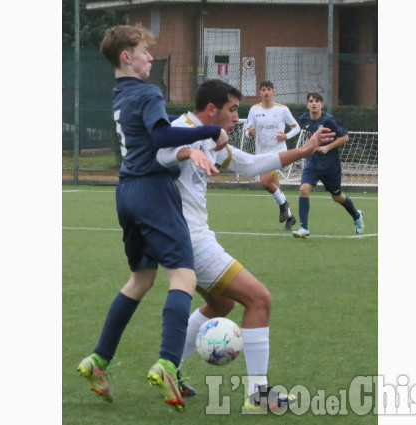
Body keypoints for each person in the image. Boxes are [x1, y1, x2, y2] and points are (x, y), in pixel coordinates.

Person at [155, 79, 335, 410]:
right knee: (259, 298)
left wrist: (304, 150)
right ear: (212, 109)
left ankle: (168, 367)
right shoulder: (182, 128)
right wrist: (189, 150)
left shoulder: (211, 137)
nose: (238, 117)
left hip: (186, 235)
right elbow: (160, 152)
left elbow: (250, 164)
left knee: (221, 304)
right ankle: (259, 393)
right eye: (233, 109)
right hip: (188, 237)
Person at [76, 25, 229, 412]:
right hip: (152, 192)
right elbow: (161, 138)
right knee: (184, 277)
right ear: (126, 56)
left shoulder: (120, 94)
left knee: (140, 280)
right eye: (144, 50)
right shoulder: (147, 92)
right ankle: (167, 363)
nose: (149, 57)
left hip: (126, 192)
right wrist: (212, 131)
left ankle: (97, 359)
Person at [292, 92, 364, 239]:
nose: (314, 103)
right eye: (311, 101)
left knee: (337, 196)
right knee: (303, 189)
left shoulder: (329, 120)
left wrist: (327, 147)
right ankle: (304, 228)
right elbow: (309, 135)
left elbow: (345, 137)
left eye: (317, 101)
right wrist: (306, 148)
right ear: (307, 104)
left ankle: (357, 215)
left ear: (321, 104)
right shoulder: (304, 119)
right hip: (312, 163)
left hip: (330, 166)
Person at [245, 80, 301, 231]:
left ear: (273, 92)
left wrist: (286, 136)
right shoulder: (254, 110)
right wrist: (249, 133)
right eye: (263, 90)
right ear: (260, 93)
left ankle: (283, 206)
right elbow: (247, 131)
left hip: (279, 153)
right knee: (274, 185)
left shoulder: (282, 110)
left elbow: (296, 128)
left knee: (265, 181)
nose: (266, 92)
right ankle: (289, 216)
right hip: (262, 154)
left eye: (269, 89)